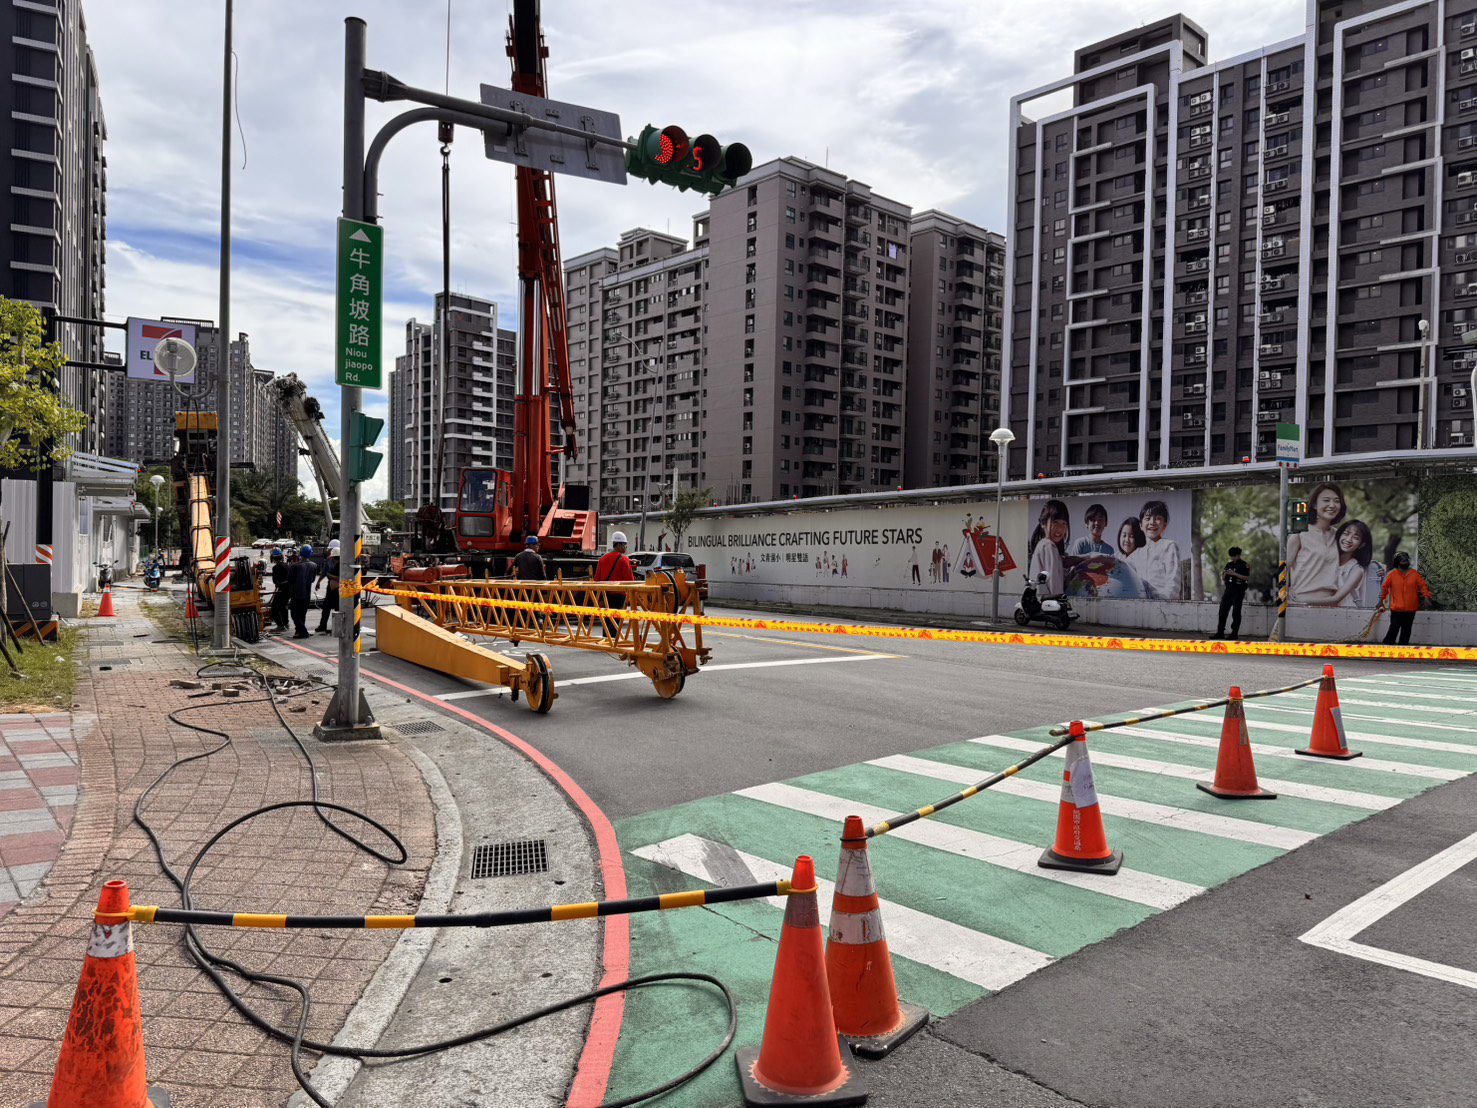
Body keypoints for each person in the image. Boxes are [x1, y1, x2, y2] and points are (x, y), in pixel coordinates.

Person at [1287, 482, 1345, 604]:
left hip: (1332, 605)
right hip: (1302, 603)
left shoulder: (1339, 536)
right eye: (1326, 500)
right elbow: (1283, 570)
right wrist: (1287, 593)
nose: (1332, 505)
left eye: (1336, 501)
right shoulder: (1299, 535)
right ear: (1314, 504)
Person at [1379, 552, 1433, 644]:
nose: (1405, 562)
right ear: (1397, 562)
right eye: (1402, 561)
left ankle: (1403, 648)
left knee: (1406, 629)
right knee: (1394, 627)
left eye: (1406, 560)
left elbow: (1423, 586)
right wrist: (1381, 601)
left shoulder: (1414, 574)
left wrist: (1426, 597)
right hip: (1396, 608)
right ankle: (1387, 645)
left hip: (1411, 608)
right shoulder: (1392, 575)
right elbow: (1385, 588)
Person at [1133, 500, 1182, 600]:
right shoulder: (1135, 553)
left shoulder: (1169, 546)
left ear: (1164, 525)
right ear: (1140, 525)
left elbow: (1173, 585)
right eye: (1147, 518)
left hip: (1161, 606)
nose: (1152, 522)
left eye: (1158, 518)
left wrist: (1164, 604)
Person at [1027, 499, 1069, 597]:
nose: (1060, 528)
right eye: (1055, 522)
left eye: (1064, 523)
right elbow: (1053, 579)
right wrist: (1059, 598)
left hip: (1038, 597)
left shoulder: (1042, 544)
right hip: (1048, 600)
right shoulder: (1049, 546)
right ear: (1043, 523)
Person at [1330, 520, 1374, 608]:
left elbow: (1335, 599)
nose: (1348, 539)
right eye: (1346, 533)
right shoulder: (1328, 561)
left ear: (1361, 545)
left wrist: (1302, 601)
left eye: (1356, 537)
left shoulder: (1356, 569)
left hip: (1347, 617)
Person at [1215, 546, 1251, 639]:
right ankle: (1220, 632)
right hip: (1228, 591)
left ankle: (1234, 633)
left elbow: (1246, 577)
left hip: (1238, 591)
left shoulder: (1245, 565)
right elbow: (1223, 578)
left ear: (1238, 555)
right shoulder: (1229, 564)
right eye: (1231, 556)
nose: (1232, 558)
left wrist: (1234, 574)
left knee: (1236, 612)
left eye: (1234, 556)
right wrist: (1226, 574)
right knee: (1222, 610)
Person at [287, 545, 317, 638]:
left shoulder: (294, 566)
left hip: (296, 594)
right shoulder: (314, 565)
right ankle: (299, 631)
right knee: (302, 614)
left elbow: (290, 580)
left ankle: (303, 632)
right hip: (307, 593)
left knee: (294, 614)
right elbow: (312, 579)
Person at [316, 538, 341, 634]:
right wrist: (319, 582)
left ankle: (338, 627)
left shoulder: (343, 562)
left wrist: (331, 576)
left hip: (339, 588)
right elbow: (324, 572)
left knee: (338, 608)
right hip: (330, 587)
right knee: (326, 607)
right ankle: (322, 626)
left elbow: (341, 577)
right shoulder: (329, 559)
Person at [269, 548, 290, 632]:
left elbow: (275, 581)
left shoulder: (275, 568)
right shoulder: (287, 565)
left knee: (274, 608)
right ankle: (286, 623)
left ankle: (280, 625)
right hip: (288, 590)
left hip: (281, 590)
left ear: (273, 558)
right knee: (284, 607)